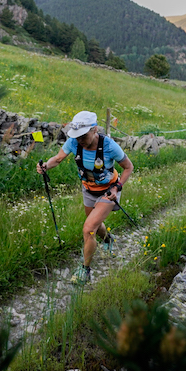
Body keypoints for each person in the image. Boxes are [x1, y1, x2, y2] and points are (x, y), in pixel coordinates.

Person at [37, 111, 133, 285]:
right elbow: (57, 159)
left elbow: (128, 167)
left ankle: (85, 270)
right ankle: (108, 240)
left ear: (94, 129)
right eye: (77, 136)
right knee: (94, 225)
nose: (80, 139)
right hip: (88, 190)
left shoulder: (110, 146)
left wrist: (118, 187)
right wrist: (45, 166)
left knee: (88, 228)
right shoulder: (73, 142)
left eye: (83, 135)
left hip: (108, 191)